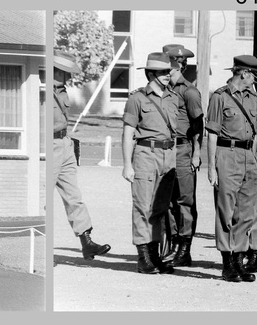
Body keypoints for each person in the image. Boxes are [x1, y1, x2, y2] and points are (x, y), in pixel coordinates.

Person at [204, 55, 257, 282]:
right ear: (243, 73)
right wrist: (211, 166)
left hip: (249, 155)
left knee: (247, 211)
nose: (254, 81)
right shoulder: (219, 97)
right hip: (227, 154)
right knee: (226, 210)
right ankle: (227, 262)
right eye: (253, 76)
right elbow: (212, 134)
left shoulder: (254, 99)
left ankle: (240, 258)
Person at [122, 52, 179, 274]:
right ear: (151, 74)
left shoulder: (173, 98)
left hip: (168, 154)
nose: (167, 75)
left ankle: (155, 254)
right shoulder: (137, 98)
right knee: (143, 207)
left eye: (169, 71)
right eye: (163, 72)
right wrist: (127, 165)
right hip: (146, 153)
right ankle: (143, 256)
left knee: (160, 208)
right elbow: (127, 133)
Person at [51, 49, 111, 260]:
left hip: (64, 143)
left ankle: (86, 242)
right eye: (66, 72)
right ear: (55, 70)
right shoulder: (42, 89)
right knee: (44, 198)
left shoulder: (61, 90)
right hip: (48, 144)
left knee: (74, 196)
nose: (69, 76)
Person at [160, 44, 203, 268]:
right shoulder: (162, 90)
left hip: (184, 149)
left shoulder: (190, 92)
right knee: (166, 201)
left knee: (185, 200)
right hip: (165, 150)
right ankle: (173, 243)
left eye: (172, 69)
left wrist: (196, 153)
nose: (168, 73)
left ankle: (184, 248)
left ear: (182, 66)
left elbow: (198, 124)